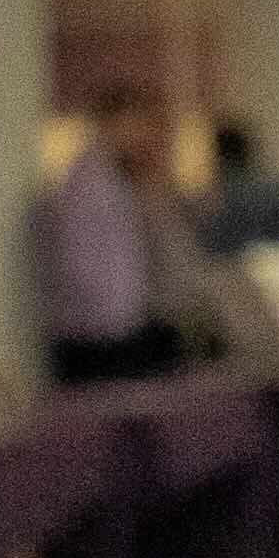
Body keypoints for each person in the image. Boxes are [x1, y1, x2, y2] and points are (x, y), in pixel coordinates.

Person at [32, 89, 209, 386]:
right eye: (136, 125)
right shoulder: (88, 185)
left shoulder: (119, 181)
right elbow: (79, 266)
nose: (143, 136)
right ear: (110, 124)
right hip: (98, 336)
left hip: (121, 329)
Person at [192, 119, 279, 256]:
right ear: (248, 150)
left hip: (237, 269)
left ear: (218, 154)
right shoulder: (277, 191)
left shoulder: (214, 199)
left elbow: (211, 246)